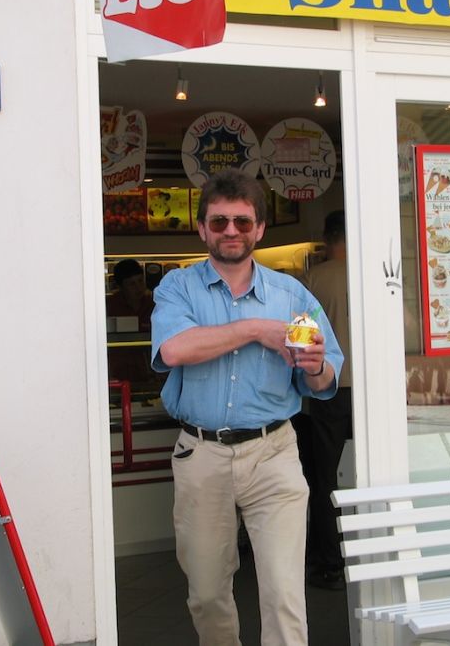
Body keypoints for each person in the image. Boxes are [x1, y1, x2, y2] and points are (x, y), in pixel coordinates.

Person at [151, 168, 343, 646]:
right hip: (202, 454)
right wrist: (257, 329)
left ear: (259, 229)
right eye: (219, 222)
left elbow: (324, 379)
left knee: (284, 594)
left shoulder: (294, 296)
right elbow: (174, 350)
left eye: (242, 221)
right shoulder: (177, 289)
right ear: (202, 228)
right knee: (207, 594)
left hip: (274, 452)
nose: (231, 231)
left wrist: (316, 365)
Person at [302, 210, 352, 591]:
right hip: (371, 391)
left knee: (324, 477)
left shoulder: (313, 280)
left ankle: (330, 562)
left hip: (327, 390)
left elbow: (299, 340)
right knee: (369, 471)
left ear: (327, 236)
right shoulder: (372, 274)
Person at [106, 258, 156, 384]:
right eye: (132, 284)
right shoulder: (110, 306)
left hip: (149, 373)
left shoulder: (153, 304)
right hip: (117, 373)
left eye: (140, 281)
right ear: (120, 286)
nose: (138, 287)